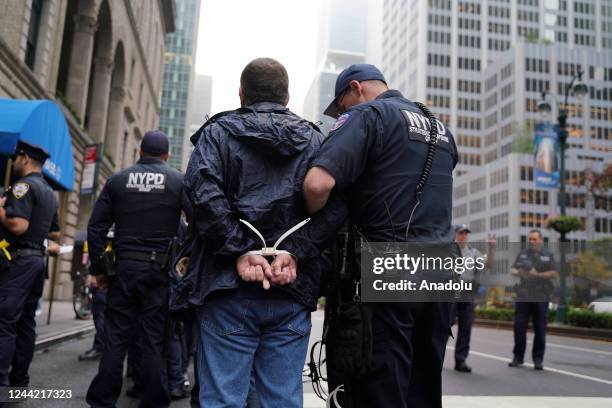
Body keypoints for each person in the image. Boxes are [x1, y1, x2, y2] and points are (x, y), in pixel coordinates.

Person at [184, 57, 339, 408]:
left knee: (222, 400)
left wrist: (240, 250)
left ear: (241, 94)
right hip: (291, 287)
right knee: (282, 400)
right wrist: (293, 252)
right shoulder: (318, 139)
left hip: (227, 288)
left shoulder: (217, 134)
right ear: (288, 97)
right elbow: (335, 209)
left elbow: (201, 197)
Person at [303, 64, 458, 408]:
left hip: (390, 260)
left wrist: (317, 217)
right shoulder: (440, 129)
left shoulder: (368, 115)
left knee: (381, 385)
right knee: (423, 384)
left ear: (356, 88)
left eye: (342, 103)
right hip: (441, 266)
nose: (343, 111)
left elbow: (317, 183)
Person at [86, 131, 190, 408]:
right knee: (154, 338)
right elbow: (196, 225)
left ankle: (102, 400)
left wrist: (99, 269)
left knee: (115, 337)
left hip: (123, 270)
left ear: (139, 152)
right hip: (159, 272)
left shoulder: (117, 180)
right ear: (166, 156)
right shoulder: (178, 181)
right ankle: (154, 399)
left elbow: (96, 227)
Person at [0, 140, 60, 387]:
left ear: (24, 159)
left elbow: (18, 225)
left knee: (4, 322)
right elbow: (54, 232)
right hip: (37, 262)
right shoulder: (49, 192)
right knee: (26, 323)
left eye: (16, 158)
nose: (13, 162)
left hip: (19, 263)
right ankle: (18, 383)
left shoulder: (22, 186)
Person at [509, 229, 558, 370]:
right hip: (523, 296)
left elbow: (554, 273)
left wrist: (538, 275)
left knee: (540, 329)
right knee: (519, 328)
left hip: (541, 296)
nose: (531, 241)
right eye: (530, 239)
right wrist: (522, 272)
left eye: (534, 239)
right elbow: (513, 270)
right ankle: (518, 357)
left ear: (541, 240)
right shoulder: (523, 253)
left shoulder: (548, 255)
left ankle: (538, 360)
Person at [452, 224, 496, 373]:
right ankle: (436, 355)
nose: (464, 236)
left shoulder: (473, 252)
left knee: (466, 327)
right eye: (461, 233)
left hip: (466, 292)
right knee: (443, 324)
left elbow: (488, 265)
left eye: (466, 233)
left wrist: (491, 249)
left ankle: (460, 360)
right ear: (455, 235)